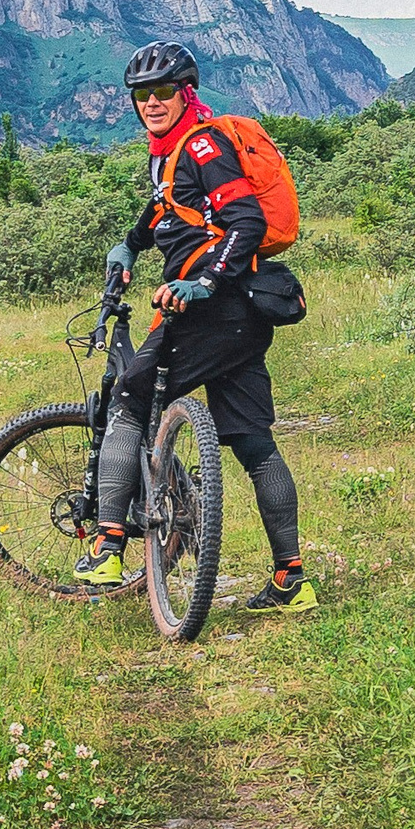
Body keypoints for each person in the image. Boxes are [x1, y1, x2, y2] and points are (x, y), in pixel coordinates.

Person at [75, 40, 317, 613]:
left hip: (209, 310)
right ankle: (292, 580)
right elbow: (166, 207)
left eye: (163, 92)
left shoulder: (202, 145)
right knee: (254, 443)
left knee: (130, 399)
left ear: (187, 93)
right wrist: (131, 246)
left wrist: (205, 282)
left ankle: (109, 547)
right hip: (244, 319)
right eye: (142, 95)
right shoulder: (169, 152)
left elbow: (245, 221)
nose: (152, 102)